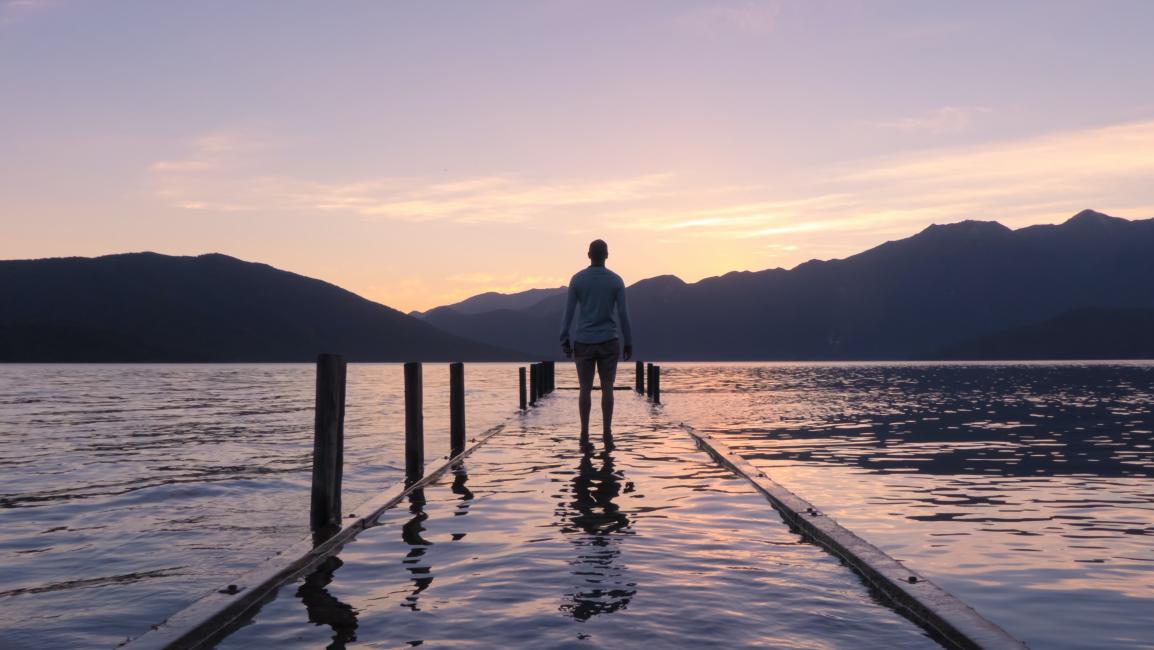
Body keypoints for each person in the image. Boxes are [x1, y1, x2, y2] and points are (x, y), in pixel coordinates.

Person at [559, 239, 633, 436]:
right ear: (607, 255)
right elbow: (623, 315)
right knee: (608, 387)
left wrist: (564, 337)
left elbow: (569, 312)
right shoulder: (616, 281)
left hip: (583, 340)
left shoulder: (577, 280)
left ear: (588, 255)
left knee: (585, 388)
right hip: (610, 340)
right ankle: (607, 431)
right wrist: (629, 341)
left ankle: (584, 431)